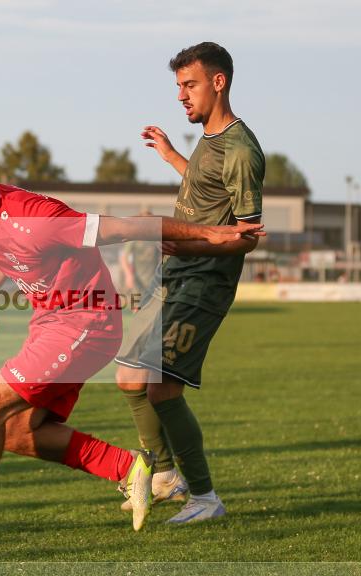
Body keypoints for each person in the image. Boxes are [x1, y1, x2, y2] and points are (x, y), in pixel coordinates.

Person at [0, 152, 263, 543]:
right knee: (15, 430)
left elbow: (128, 227)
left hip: (86, 324)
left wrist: (210, 233)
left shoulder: (38, 219)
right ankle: (129, 469)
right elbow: (5, 249)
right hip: (51, 324)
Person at [114, 42, 265, 524]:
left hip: (203, 283)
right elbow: (203, 191)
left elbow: (246, 237)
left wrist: (188, 246)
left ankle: (204, 497)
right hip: (173, 273)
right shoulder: (208, 140)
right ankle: (164, 476)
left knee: (161, 390)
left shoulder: (241, 150)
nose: (181, 95)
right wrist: (174, 157)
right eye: (178, 85)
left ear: (218, 82)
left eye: (189, 84)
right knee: (129, 377)